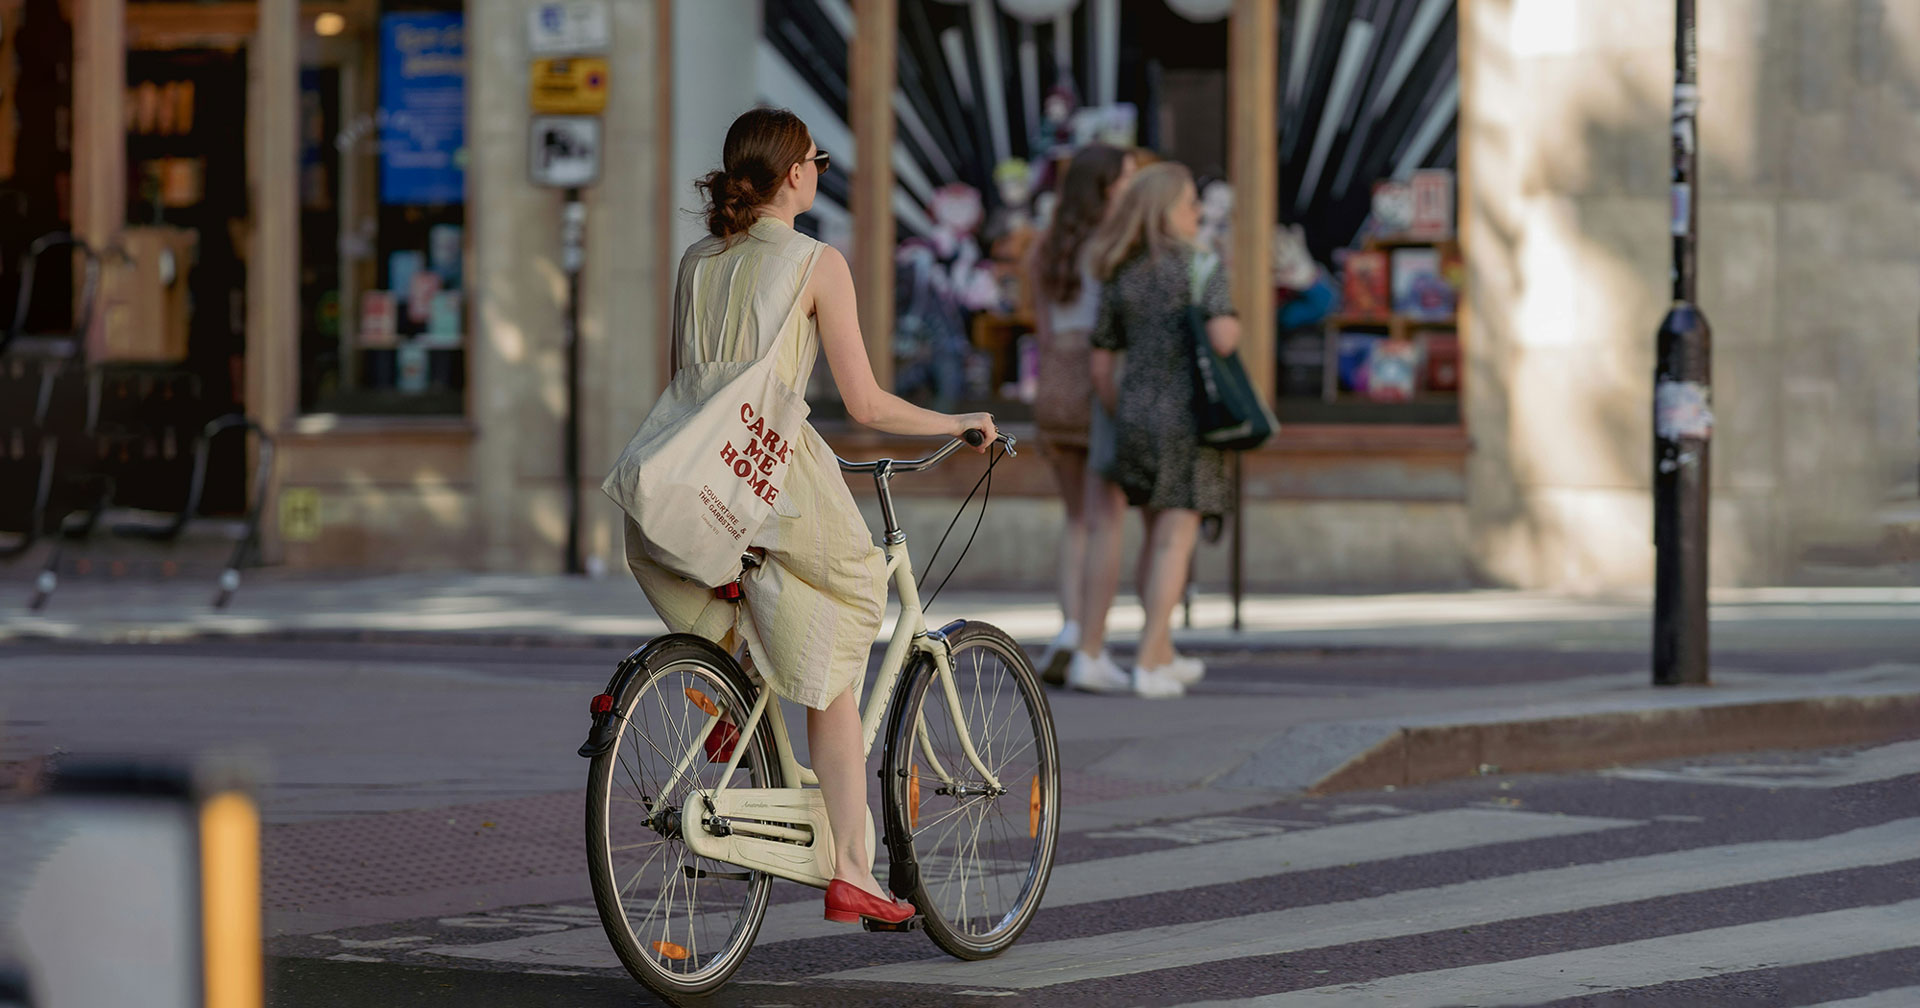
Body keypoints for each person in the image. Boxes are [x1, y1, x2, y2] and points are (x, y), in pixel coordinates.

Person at [623, 107, 997, 926]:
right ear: (795, 173)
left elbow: (696, 381)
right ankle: (854, 868)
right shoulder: (817, 261)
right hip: (774, 472)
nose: (820, 172)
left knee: (771, 599)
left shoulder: (697, 261)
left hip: (694, 474)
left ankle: (734, 697)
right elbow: (865, 404)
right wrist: (957, 421)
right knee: (843, 626)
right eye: (817, 161)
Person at [1082, 162, 1239, 698]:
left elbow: (1101, 363)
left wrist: (1124, 409)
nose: (1198, 211)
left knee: (1153, 535)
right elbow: (1223, 339)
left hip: (1133, 417)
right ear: (1170, 210)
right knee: (1176, 538)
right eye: (1191, 202)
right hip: (1188, 418)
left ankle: (1164, 650)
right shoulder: (1201, 266)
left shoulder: (1121, 271)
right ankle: (1150, 660)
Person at [1024, 143, 1137, 689]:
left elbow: (1044, 330)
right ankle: (1094, 644)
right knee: (1106, 518)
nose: (1133, 187)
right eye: (1127, 178)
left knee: (1074, 519)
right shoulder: (1116, 245)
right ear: (1106, 186)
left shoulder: (1046, 246)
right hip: (1099, 379)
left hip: (1054, 383)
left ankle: (1070, 631)